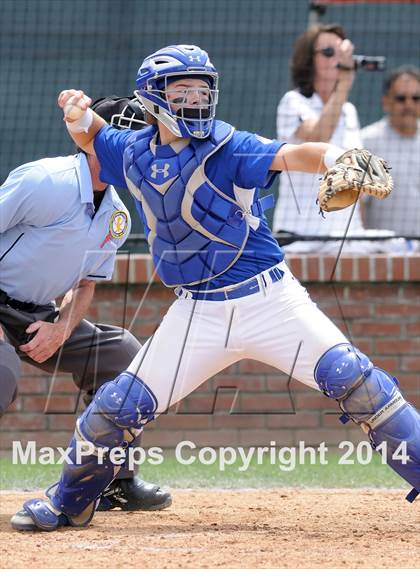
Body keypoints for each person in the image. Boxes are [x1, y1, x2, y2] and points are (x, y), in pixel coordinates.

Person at [12, 44, 419, 531]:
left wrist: (340, 157)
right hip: (197, 314)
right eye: (182, 91)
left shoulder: (229, 147)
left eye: (202, 90)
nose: (195, 100)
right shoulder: (136, 151)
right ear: (152, 98)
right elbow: (92, 137)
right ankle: (69, 501)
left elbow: (295, 153)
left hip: (270, 300)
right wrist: (75, 111)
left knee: (359, 384)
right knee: (118, 407)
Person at [0, 96, 171, 515]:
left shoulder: (117, 213)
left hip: (38, 311)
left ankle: (115, 481)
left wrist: (60, 327)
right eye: (127, 140)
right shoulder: (44, 179)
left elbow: (85, 284)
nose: (139, 152)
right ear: (94, 138)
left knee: (123, 355)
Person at [272, 23, 367, 254]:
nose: (337, 59)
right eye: (328, 52)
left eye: (342, 53)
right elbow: (318, 137)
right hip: (300, 234)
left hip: (345, 234)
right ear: (308, 60)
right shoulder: (292, 102)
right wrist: (344, 83)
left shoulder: (349, 111)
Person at [361, 65, 420, 241]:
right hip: (385, 254)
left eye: (416, 98)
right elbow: (358, 206)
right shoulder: (366, 143)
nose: (409, 104)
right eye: (401, 98)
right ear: (386, 102)